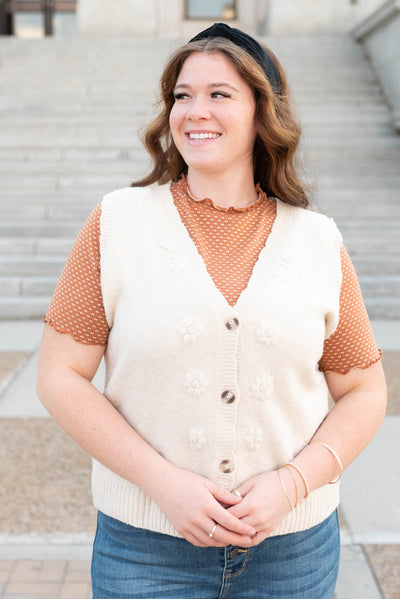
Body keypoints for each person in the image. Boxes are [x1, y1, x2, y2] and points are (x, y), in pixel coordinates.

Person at [37, 22, 387, 599]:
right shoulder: (117, 223)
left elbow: (365, 391)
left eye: (219, 94)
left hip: (292, 556)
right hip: (145, 552)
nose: (194, 111)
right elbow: (58, 376)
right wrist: (164, 485)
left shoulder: (317, 240)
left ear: (262, 112)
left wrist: (293, 484)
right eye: (182, 95)